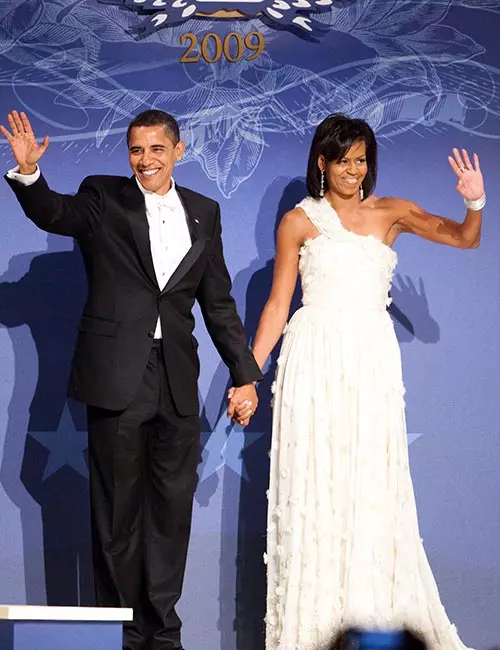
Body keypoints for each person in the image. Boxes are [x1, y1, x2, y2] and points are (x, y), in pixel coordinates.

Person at [1, 109, 262, 650]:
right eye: (136, 151)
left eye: (156, 150)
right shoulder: (104, 196)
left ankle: (162, 633)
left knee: (171, 514)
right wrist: (29, 175)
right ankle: (121, 633)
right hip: (118, 376)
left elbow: (217, 303)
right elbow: (55, 213)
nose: (145, 161)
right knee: (117, 517)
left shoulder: (204, 213)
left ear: (178, 150)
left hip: (176, 380)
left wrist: (245, 375)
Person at [244, 114, 485, 649]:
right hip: (313, 365)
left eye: (362, 160)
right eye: (344, 160)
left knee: (373, 488)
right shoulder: (300, 222)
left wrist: (475, 203)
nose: (355, 170)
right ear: (322, 163)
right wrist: (248, 376)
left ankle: (375, 622)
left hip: (371, 364)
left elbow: (465, 239)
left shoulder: (392, 212)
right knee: (315, 488)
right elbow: (279, 304)